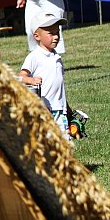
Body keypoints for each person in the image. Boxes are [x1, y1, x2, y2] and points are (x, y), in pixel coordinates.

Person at [19, 12, 71, 140]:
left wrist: (68, 109)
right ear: (37, 36)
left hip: (60, 110)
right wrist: (31, 80)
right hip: (44, 109)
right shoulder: (34, 57)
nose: (56, 37)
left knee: (65, 142)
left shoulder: (57, 57)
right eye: (51, 33)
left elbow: (60, 88)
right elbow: (20, 77)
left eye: (57, 32)